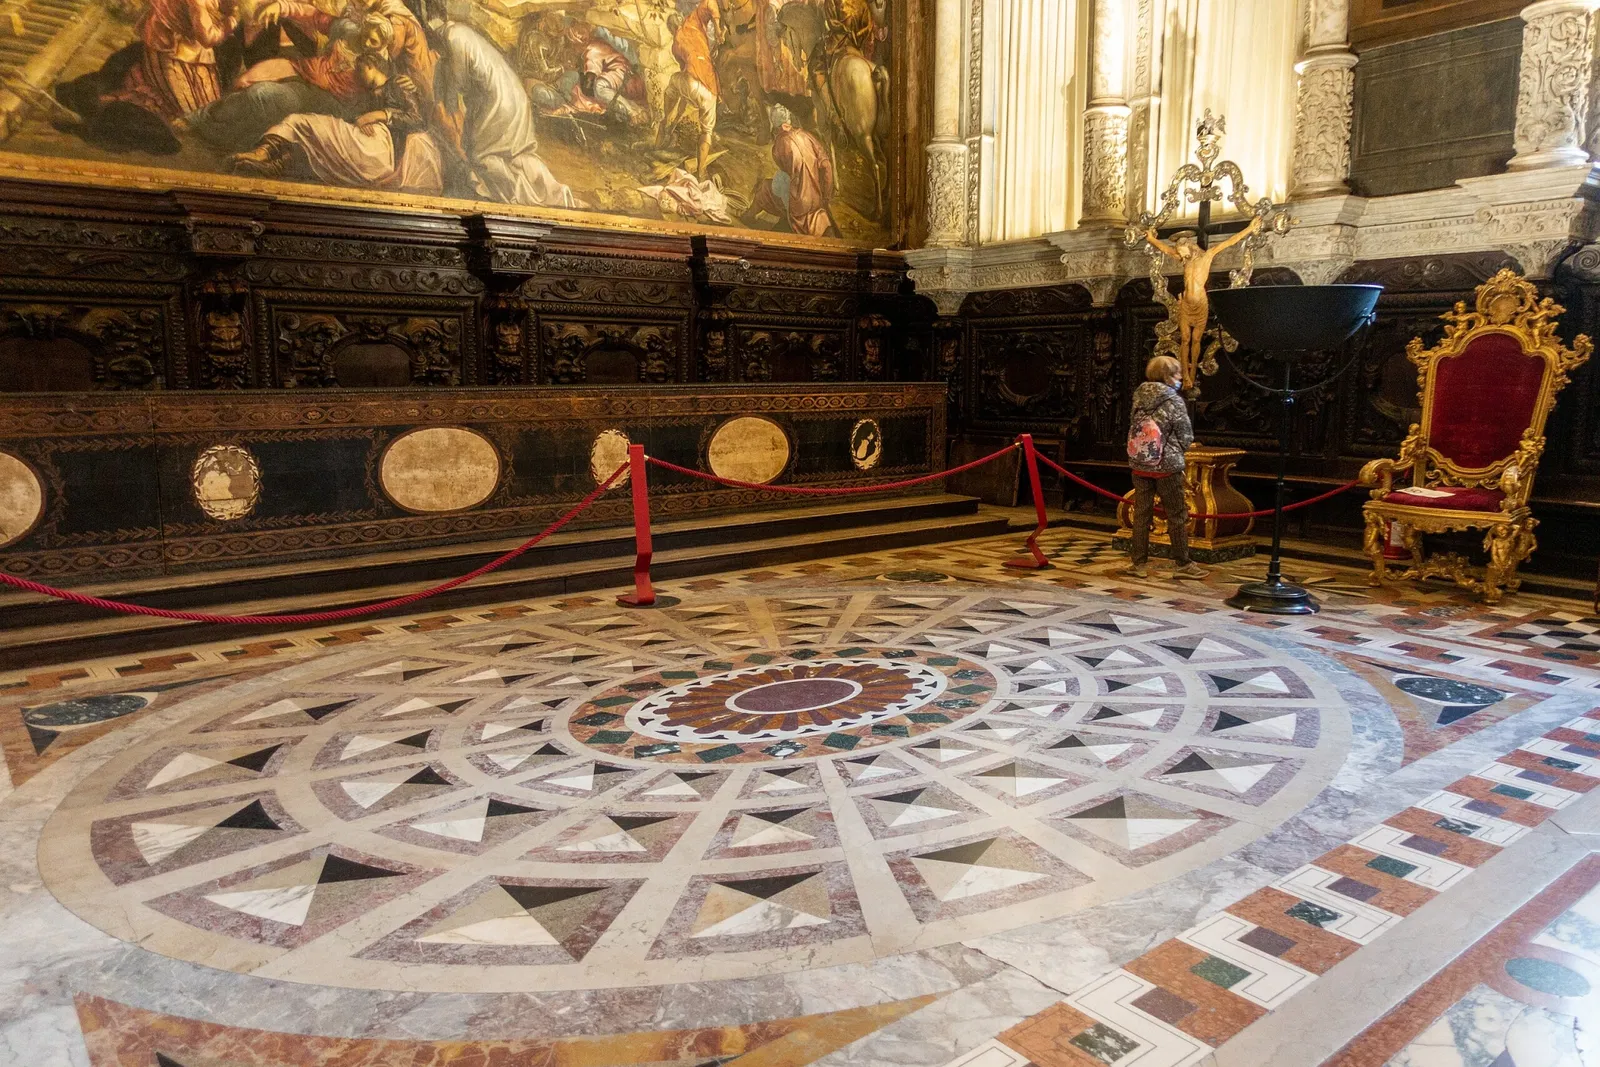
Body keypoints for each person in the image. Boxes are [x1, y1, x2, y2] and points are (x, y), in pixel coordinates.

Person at [228, 53, 442, 194]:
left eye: (360, 70)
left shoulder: (397, 84)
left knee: (306, 125)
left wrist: (380, 114)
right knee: (314, 136)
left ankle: (270, 157)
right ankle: (267, 157)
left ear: (372, 66)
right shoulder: (365, 95)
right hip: (361, 140)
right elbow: (353, 116)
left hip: (381, 148)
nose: (357, 75)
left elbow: (418, 119)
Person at [1144, 216, 1261, 389]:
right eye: (1180, 253)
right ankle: (1184, 376)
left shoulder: (1207, 256)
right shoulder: (1185, 260)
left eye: (1182, 252)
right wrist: (1151, 239)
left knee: (1196, 340)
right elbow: (1167, 251)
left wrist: (1250, 228)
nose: (1180, 256)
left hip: (1200, 306)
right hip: (1185, 305)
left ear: (1189, 246)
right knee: (1185, 339)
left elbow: (1229, 242)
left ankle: (1192, 375)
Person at [1127, 354, 1204, 580]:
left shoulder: (1139, 396)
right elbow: (1185, 433)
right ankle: (1183, 563)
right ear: (1168, 376)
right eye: (1178, 373)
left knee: (1141, 513)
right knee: (1177, 514)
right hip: (1166, 464)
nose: (1181, 377)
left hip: (1140, 461)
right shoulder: (1174, 400)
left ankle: (1138, 563)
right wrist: (1179, 449)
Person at [742, 104, 837, 236]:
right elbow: (826, 166)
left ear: (776, 126)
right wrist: (825, 197)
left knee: (765, 188)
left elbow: (784, 177)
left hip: (799, 204)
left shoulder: (780, 144)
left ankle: (748, 217)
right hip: (817, 201)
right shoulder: (807, 136)